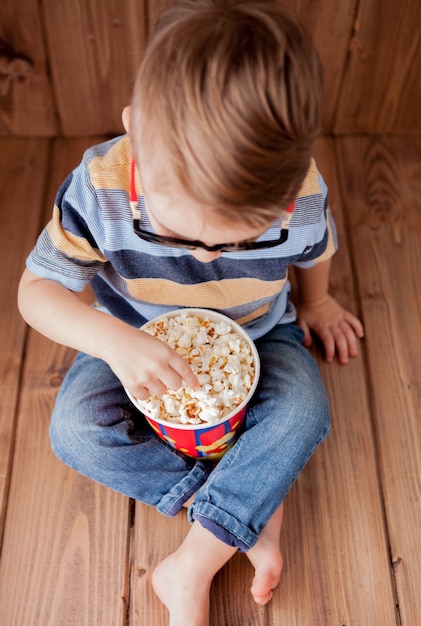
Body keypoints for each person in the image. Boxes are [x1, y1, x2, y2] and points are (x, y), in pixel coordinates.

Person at [18, 1, 364, 624]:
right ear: (135, 135)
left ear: (283, 200)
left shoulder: (301, 199)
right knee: (75, 430)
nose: (206, 258)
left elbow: (319, 252)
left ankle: (191, 565)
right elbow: (35, 292)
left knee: (304, 409)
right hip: (131, 330)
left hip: (261, 330)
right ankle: (234, 512)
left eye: (232, 244)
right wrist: (112, 342)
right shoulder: (102, 187)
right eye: (182, 237)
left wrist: (318, 301)